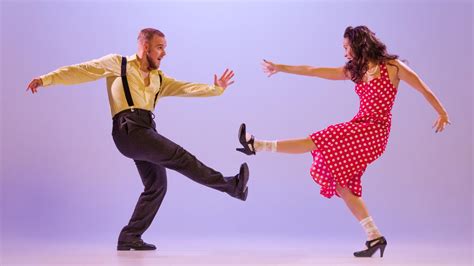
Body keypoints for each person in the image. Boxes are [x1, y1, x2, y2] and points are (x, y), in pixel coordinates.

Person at [27, 28, 250, 251]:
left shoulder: (159, 79)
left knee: (157, 184)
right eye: (160, 47)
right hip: (128, 130)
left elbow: (186, 88)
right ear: (145, 47)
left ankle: (130, 236)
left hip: (146, 130)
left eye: (165, 48)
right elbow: (81, 71)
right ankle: (232, 186)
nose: (164, 53)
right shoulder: (118, 64)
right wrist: (45, 79)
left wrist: (215, 89)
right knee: (182, 158)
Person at [236, 25, 450, 257]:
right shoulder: (353, 71)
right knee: (343, 185)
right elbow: (313, 70)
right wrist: (280, 67)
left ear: (359, 44)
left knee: (319, 139)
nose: (345, 52)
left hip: (374, 132)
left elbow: (423, 88)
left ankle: (257, 145)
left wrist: (442, 113)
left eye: (347, 47)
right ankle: (375, 236)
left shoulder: (393, 67)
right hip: (360, 127)